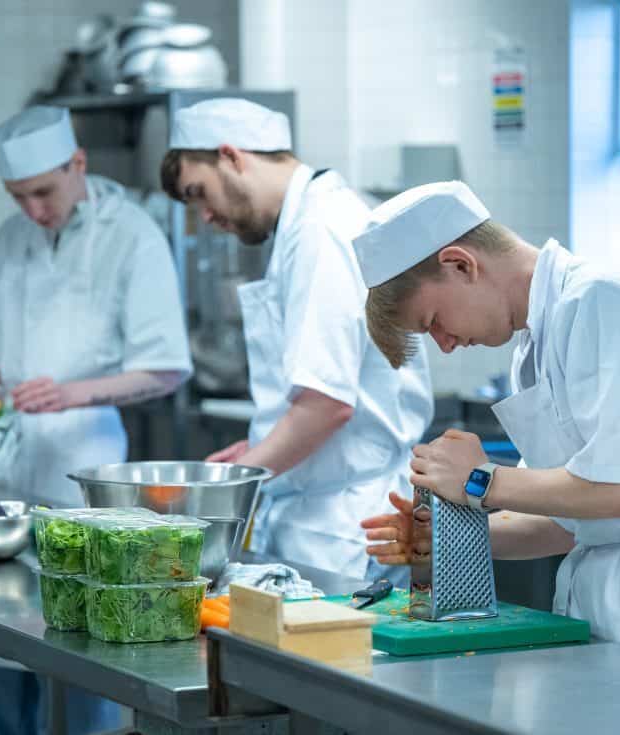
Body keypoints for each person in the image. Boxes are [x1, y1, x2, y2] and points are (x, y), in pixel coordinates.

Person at [355, 181, 620, 645]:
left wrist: (478, 480)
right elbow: (565, 524)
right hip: (603, 599)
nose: (445, 344)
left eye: (433, 322)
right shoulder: (532, 347)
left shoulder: (604, 298)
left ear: (460, 264)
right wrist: (445, 540)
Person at [0, 106, 193, 735]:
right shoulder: (13, 236)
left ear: (78, 164)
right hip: (5, 484)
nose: (33, 210)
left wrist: (71, 395)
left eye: (43, 192)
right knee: (0, 655)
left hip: (82, 487)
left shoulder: (133, 236)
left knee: (81, 659)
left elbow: (166, 368)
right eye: (18, 196)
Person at [159, 99, 433, 580]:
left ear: (231, 156)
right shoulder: (308, 224)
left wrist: (227, 483)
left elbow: (327, 405)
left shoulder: (319, 231)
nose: (204, 216)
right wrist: (257, 448)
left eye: (199, 193)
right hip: (323, 518)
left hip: (341, 531)